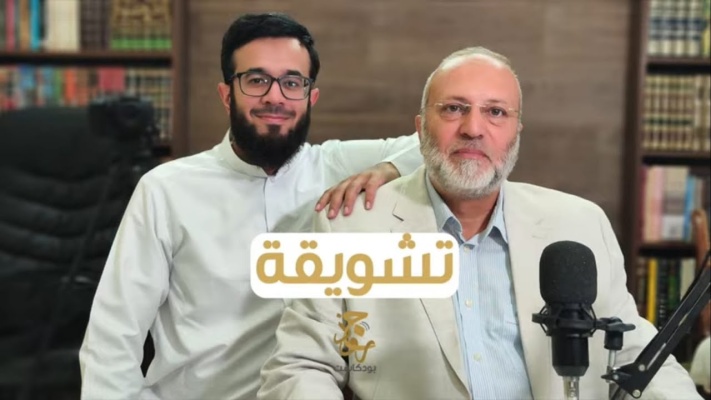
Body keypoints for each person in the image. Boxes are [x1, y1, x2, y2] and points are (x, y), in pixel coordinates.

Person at [257, 46, 702, 400]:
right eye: (454, 109)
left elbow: (634, 352)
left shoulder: (579, 223)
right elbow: (300, 365)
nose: (474, 128)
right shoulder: (351, 226)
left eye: (496, 112)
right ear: (420, 128)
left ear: (516, 132)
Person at [78, 12, 423, 400]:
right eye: (257, 80)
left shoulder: (336, 167)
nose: (275, 97)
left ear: (310, 97)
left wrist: (388, 169)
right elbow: (113, 336)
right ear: (227, 94)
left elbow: (441, 143)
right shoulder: (167, 190)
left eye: (292, 82)